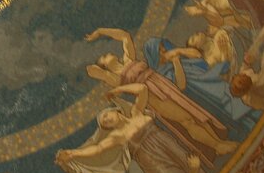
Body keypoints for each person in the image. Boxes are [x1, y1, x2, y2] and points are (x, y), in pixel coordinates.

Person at [84, 27, 237, 157]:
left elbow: (125, 36)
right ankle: (216, 146)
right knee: (187, 120)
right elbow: (96, 73)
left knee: (196, 114)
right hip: (154, 97)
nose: (107, 54)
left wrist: (100, 31)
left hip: (164, 85)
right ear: (105, 66)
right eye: (104, 57)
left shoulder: (129, 59)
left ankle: (220, 142)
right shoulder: (116, 78)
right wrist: (95, 70)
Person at [56, 82, 200, 173]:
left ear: (116, 111)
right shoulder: (116, 136)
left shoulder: (136, 112)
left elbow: (142, 89)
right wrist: (73, 153)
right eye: (103, 123)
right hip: (150, 159)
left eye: (105, 115)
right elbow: (97, 149)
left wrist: (118, 89)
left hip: (165, 142)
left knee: (188, 161)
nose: (105, 120)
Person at [229, 20, 264, 111]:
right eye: (241, 84)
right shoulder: (250, 99)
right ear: (244, 92)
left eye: (240, 79)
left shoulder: (244, 73)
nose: (243, 77)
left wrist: (248, 59)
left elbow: (245, 65)